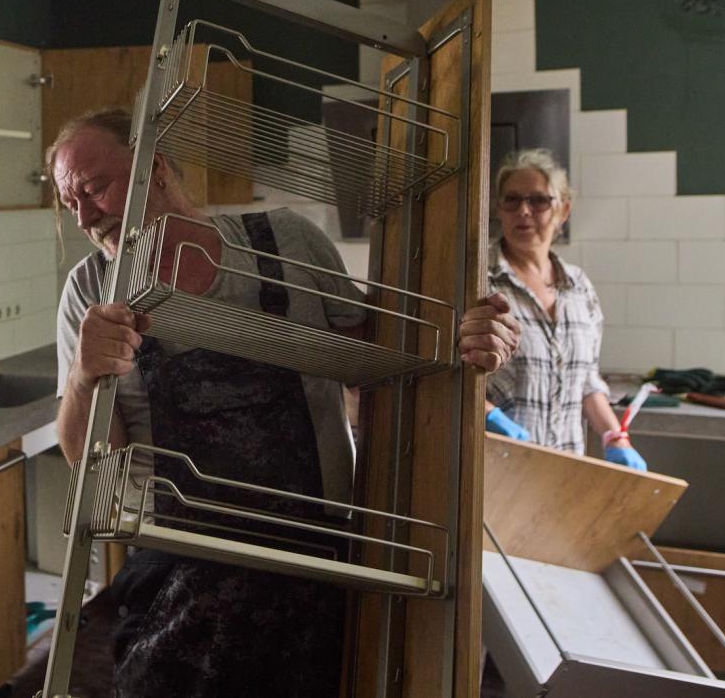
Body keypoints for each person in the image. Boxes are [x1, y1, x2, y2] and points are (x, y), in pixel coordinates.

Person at [49, 108, 520, 697]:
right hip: (178, 581)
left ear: (157, 168)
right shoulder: (90, 292)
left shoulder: (285, 242)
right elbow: (91, 459)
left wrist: (468, 337)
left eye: (95, 189)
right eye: (72, 204)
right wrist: (85, 374)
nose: (87, 216)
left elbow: (390, 364)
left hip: (313, 566)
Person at [482, 148, 647, 471]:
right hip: (498, 467)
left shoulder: (579, 287)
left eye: (539, 200)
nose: (524, 211)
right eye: (512, 200)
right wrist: (489, 416)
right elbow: (448, 378)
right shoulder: (479, 282)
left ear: (563, 210)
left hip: (565, 468)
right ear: (499, 210)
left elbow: (587, 380)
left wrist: (616, 438)